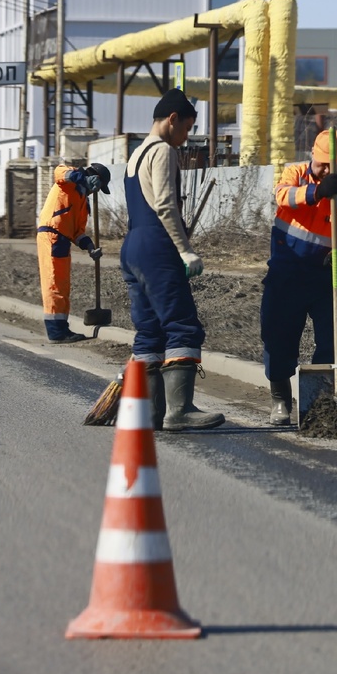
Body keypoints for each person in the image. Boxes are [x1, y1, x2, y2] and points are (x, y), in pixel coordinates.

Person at [121, 88, 224, 432]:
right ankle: (179, 411)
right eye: (187, 128)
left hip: (132, 247)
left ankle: (149, 413)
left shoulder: (136, 154)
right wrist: (185, 250)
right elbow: (165, 205)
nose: (186, 137)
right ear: (172, 119)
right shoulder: (163, 150)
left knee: (149, 330)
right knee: (181, 324)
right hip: (156, 246)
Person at [261, 129, 337, 426]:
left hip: (326, 278)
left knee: (330, 342)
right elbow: (283, 197)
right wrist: (316, 192)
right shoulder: (294, 174)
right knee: (278, 338)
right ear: (312, 154)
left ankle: (320, 401)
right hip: (287, 273)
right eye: (323, 163)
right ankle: (281, 399)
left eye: (334, 165)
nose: (327, 169)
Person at [36, 162, 110, 344]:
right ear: (93, 177)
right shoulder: (69, 180)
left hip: (62, 240)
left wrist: (90, 247)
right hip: (51, 235)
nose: (95, 191)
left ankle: (62, 328)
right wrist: (83, 178)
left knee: (62, 285)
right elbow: (59, 173)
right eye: (97, 185)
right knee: (53, 283)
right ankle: (55, 332)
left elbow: (78, 232)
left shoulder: (83, 202)